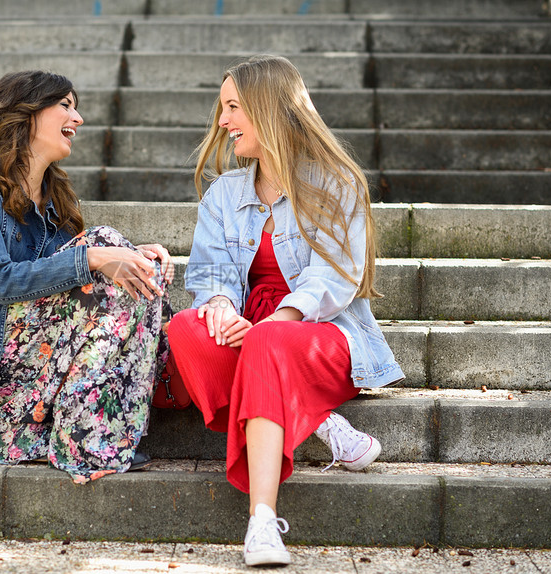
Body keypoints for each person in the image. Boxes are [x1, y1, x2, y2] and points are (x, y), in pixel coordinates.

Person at [166, 55, 404, 567]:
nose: (223, 121)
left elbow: (334, 277)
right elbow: (210, 274)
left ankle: (262, 523)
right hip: (252, 329)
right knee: (187, 329)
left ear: (269, 109)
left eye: (233, 107)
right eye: (222, 108)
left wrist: (278, 321)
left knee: (267, 342)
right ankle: (319, 420)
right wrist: (224, 309)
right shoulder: (224, 195)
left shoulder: (336, 182)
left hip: (321, 330)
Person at [0, 70, 174, 485]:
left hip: (35, 343)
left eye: (75, 107)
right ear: (24, 114)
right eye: (65, 105)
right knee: (102, 242)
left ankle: (88, 432)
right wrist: (100, 254)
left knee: (126, 261)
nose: (78, 118)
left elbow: (67, 283)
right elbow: (1, 281)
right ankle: (84, 436)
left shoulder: (56, 193)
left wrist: (134, 256)